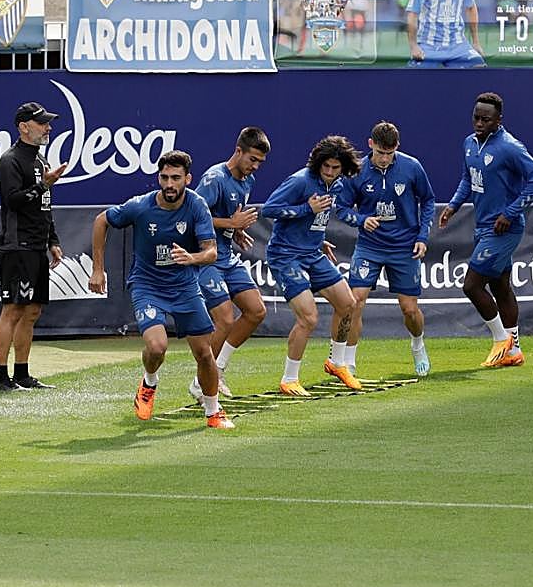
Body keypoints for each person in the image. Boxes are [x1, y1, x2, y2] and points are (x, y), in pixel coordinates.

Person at [88, 150, 234, 430]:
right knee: (157, 347)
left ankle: (213, 412)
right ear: (159, 177)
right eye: (165, 177)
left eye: (176, 178)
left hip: (185, 287)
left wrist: (193, 258)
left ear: (187, 179)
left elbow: (211, 252)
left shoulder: (197, 206)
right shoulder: (141, 206)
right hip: (148, 286)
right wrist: (98, 268)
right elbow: (101, 220)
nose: (169, 184)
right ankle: (149, 383)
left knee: (204, 353)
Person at [439, 92, 533, 369]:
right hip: (482, 225)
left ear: (499, 120)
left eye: (486, 119)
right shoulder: (469, 143)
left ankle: (502, 341)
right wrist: (452, 206)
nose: (479, 122)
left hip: (503, 230)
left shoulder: (510, 147)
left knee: (471, 285)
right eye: (476, 117)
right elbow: (468, 179)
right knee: (501, 286)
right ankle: (514, 351)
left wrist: (510, 213)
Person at [260, 135, 362, 396]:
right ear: (318, 164)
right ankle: (289, 378)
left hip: (312, 252)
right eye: (325, 167)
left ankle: (336, 363)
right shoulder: (300, 181)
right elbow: (269, 210)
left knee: (348, 303)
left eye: (334, 168)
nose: (329, 172)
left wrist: (320, 240)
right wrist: (307, 208)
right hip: (285, 255)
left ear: (343, 168)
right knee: (309, 317)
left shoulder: (339, 185)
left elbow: (318, 218)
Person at [335, 121, 436, 376]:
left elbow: (428, 201)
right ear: (371, 144)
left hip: (404, 247)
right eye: (380, 152)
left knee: (409, 310)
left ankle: (417, 344)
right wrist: (361, 220)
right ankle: (349, 362)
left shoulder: (412, 167)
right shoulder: (356, 172)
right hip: (370, 246)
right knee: (355, 301)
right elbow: (341, 208)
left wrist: (423, 236)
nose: (384, 158)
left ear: (397, 148)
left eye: (389, 153)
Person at [188, 127, 270, 399]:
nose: (255, 167)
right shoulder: (214, 179)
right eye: (252, 160)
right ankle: (201, 382)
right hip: (206, 256)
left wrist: (236, 230)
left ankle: (218, 369)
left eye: (260, 162)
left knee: (256, 311)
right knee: (223, 319)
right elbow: (191, 217)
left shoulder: (247, 181)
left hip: (226, 255)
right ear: (238, 151)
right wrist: (230, 223)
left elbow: (226, 216)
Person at [0, 101, 66, 392]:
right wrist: (43, 185)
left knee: (32, 310)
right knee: (12, 310)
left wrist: (53, 240)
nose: (48, 127)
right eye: (42, 123)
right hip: (16, 245)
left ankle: (21, 374)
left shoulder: (41, 161)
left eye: (47, 123)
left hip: (36, 246)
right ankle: (0, 377)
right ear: (24, 127)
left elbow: (45, 207)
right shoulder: (10, 160)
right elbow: (12, 200)